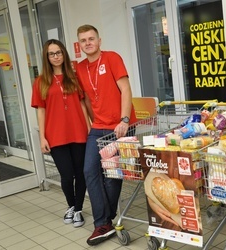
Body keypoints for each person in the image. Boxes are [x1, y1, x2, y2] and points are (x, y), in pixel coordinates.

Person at [75, 24, 137, 246]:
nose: (88, 43)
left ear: (99, 41)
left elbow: (126, 89)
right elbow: (86, 99)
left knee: (112, 174)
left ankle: (103, 223)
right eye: (83, 40)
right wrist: (91, 123)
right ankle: (105, 221)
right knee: (89, 170)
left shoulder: (112, 58)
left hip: (121, 126)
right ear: (79, 44)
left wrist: (124, 119)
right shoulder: (80, 69)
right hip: (98, 127)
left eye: (91, 39)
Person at [31, 39, 90, 228]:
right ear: (46, 57)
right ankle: (71, 206)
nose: (55, 56)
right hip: (55, 134)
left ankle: (78, 209)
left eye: (58, 52)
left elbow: (82, 103)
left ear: (64, 54)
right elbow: (40, 109)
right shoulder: (41, 81)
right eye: (51, 53)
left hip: (78, 131)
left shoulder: (74, 76)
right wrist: (42, 137)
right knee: (66, 175)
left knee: (81, 173)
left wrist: (89, 127)